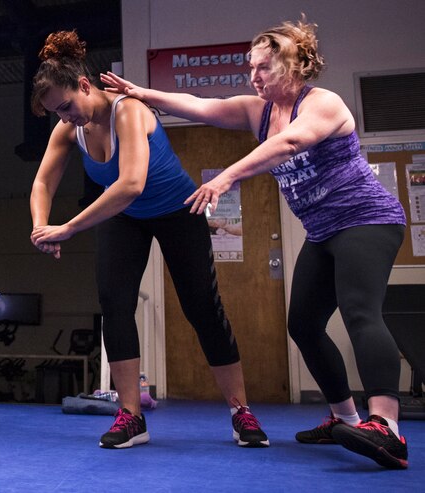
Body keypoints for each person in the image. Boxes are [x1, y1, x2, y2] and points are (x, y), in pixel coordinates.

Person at [102, 18, 408, 469]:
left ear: (293, 66)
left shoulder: (323, 103)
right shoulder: (255, 109)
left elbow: (291, 142)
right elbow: (199, 106)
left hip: (367, 219)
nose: (254, 77)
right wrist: (145, 94)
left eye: (263, 67)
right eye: (251, 68)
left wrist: (227, 175)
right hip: (322, 231)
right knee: (303, 324)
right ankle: (344, 418)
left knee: (360, 310)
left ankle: (386, 426)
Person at [29, 30, 269, 449]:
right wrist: (40, 226)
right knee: (114, 303)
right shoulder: (70, 129)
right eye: (56, 114)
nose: (65, 118)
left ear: (85, 85)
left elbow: (131, 184)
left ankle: (240, 411)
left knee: (202, 310)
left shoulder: (129, 112)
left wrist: (67, 228)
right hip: (125, 220)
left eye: (67, 106)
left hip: (178, 211)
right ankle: (131, 417)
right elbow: (43, 183)